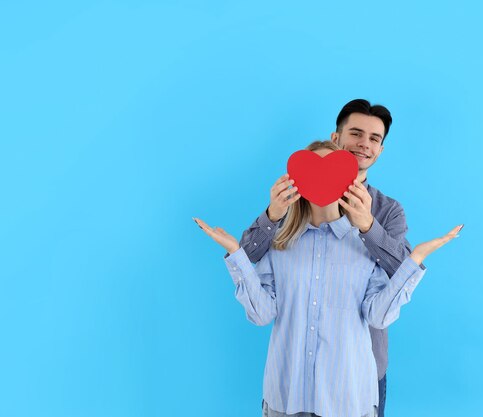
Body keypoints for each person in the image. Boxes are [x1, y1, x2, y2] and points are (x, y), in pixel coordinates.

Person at [194, 140, 461, 417]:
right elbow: (261, 314)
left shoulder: (365, 247)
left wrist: (414, 260)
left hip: (348, 400)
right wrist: (236, 254)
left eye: (332, 171)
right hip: (285, 398)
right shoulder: (280, 245)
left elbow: (378, 317)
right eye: (313, 171)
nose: (322, 178)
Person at [240, 99, 408, 417]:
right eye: (356, 133)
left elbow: (405, 276)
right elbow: (244, 260)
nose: (364, 144)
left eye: (375, 139)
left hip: (360, 373)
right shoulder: (295, 200)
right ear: (335, 139)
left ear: (381, 150)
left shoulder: (388, 211)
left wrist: (369, 227)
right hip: (295, 377)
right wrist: (271, 215)